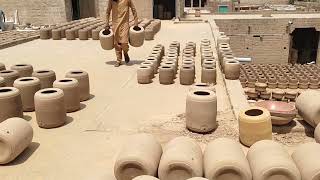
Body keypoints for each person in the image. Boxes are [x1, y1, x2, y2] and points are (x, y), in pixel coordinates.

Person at [105, 0, 138, 67]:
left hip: (124, 24)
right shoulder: (111, 1)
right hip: (115, 24)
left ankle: (125, 52)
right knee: (116, 44)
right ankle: (118, 60)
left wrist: (136, 22)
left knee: (124, 42)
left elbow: (133, 9)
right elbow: (107, 12)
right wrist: (107, 24)